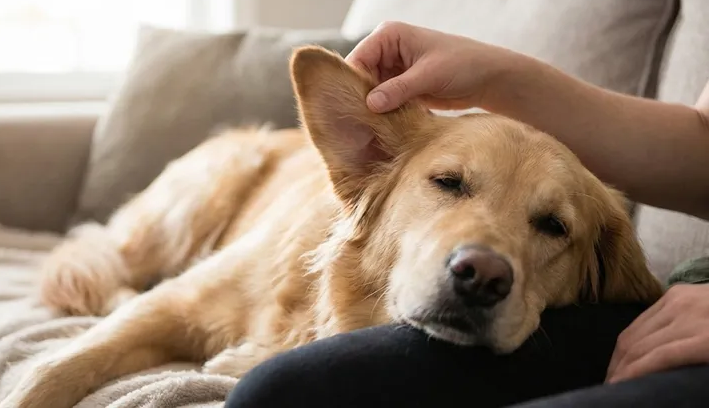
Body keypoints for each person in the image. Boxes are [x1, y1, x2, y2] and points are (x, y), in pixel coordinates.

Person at [224, 21, 709, 407]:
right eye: (449, 184)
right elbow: (702, 144)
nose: (484, 263)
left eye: (551, 225)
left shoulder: (607, 264)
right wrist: (498, 76)